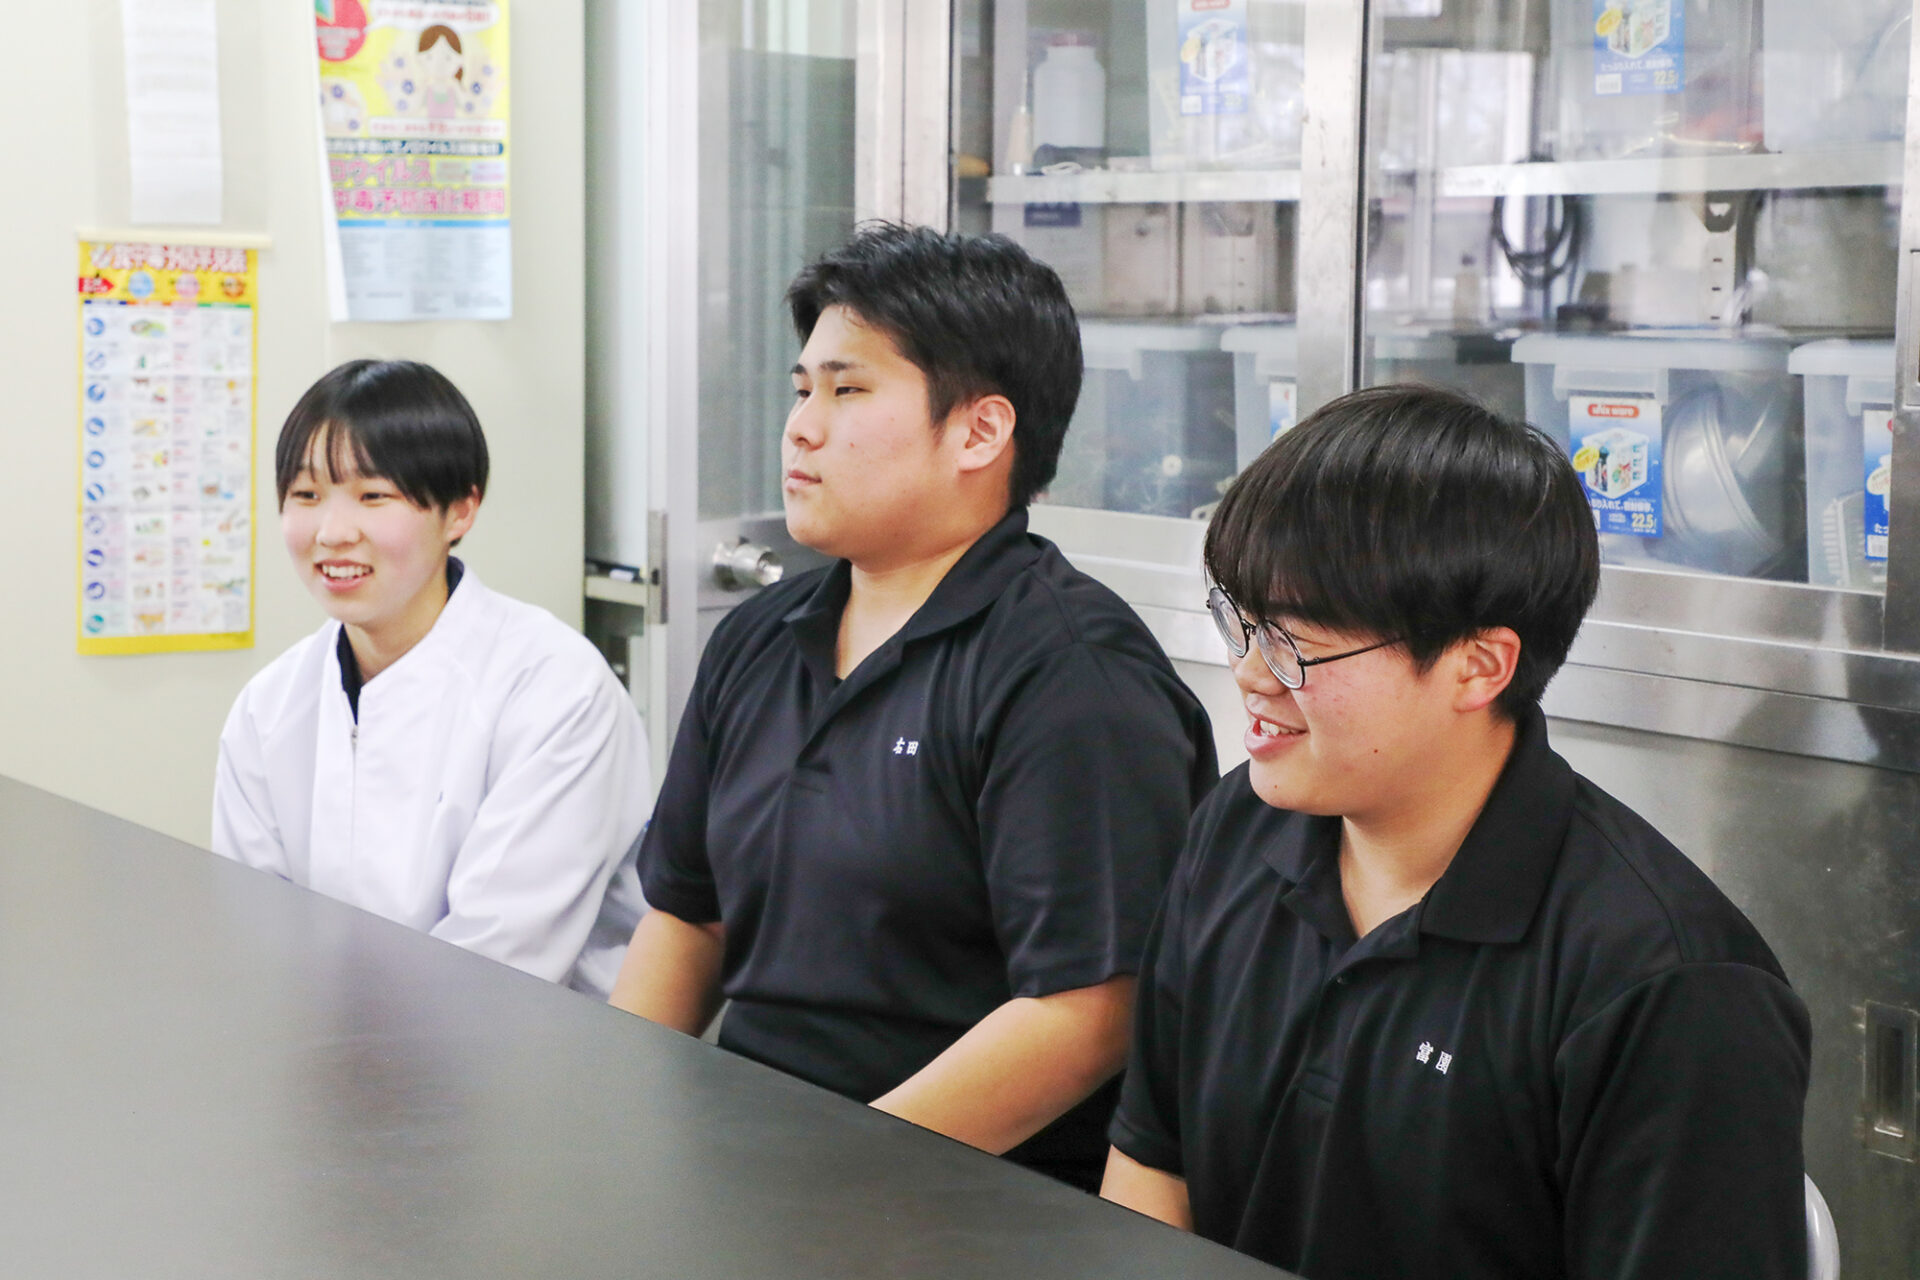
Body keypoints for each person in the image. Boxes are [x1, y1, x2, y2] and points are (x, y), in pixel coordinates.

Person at [1101, 385, 1812, 1278]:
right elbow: (1153, 1162)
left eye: (1293, 642)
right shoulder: (1238, 829)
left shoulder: (1667, 987)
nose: (1248, 672)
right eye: (1239, 622)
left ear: (1478, 666)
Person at [610, 224, 1217, 1191]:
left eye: (848, 391)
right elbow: (689, 920)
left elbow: (1093, 1009)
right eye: (802, 390)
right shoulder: (759, 639)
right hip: (750, 1171)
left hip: (961, 1199)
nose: (801, 428)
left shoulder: (1070, 675)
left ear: (980, 432)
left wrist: (840, 1174)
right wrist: (617, 1122)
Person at [212, 359, 649, 999]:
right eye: (306, 496)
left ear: (460, 511)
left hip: (530, 1048)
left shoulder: (556, 690)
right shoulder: (269, 707)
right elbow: (255, 936)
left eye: (373, 496)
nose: (333, 533)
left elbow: (497, 964)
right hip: (323, 1045)